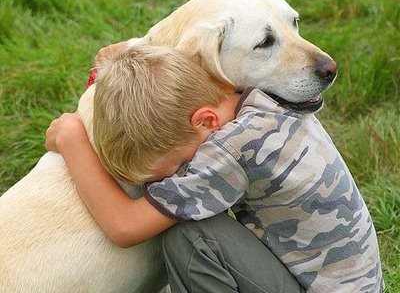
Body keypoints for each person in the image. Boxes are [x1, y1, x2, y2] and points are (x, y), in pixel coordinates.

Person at [45, 45, 384, 292]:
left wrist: (73, 139)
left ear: (205, 121)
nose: (178, 175)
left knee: (189, 235)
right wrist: (132, 57)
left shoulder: (230, 150)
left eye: (179, 165)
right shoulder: (253, 93)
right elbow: (180, 68)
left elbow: (124, 227)